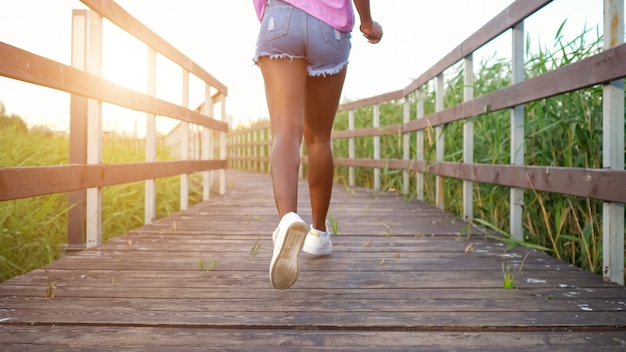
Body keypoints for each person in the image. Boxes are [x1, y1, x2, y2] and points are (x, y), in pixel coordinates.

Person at [252, 0, 383, 290]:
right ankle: (319, 234)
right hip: (330, 28)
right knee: (319, 138)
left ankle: (287, 219)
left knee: (286, 132)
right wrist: (367, 22)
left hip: (280, 18)